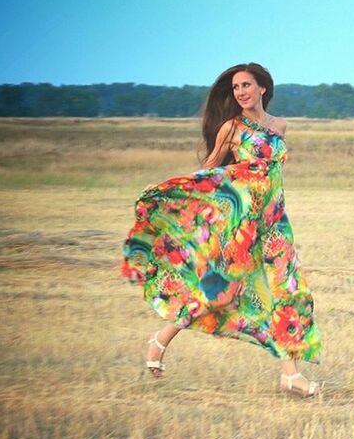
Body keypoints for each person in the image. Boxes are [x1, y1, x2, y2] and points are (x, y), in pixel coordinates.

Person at [121, 62, 322, 396]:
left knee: (290, 291)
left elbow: (272, 175)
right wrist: (175, 191)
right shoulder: (231, 128)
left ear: (263, 89)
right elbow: (212, 168)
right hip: (240, 224)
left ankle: (290, 374)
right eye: (235, 87)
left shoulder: (280, 126)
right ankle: (161, 339)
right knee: (220, 292)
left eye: (246, 85)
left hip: (274, 224)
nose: (240, 92)